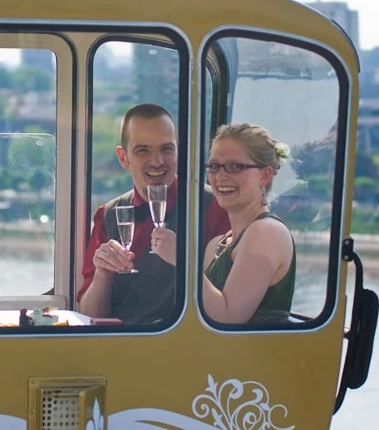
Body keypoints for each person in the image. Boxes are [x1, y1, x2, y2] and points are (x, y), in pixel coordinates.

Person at [77, 104, 230, 324]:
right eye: (143, 150)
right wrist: (103, 275)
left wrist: (183, 259)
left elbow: (229, 303)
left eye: (166, 149)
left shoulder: (214, 207)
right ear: (123, 158)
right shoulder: (108, 215)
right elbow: (91, 315)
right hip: (124, 346)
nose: (157, 161)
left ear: (179, 151)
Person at [202, 123, 296, 324]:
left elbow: (230, 318)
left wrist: (182, 263)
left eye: (235, 166)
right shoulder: (217, 244)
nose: (220, 177)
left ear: (265, 175)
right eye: (214, 166)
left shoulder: (267, 233)